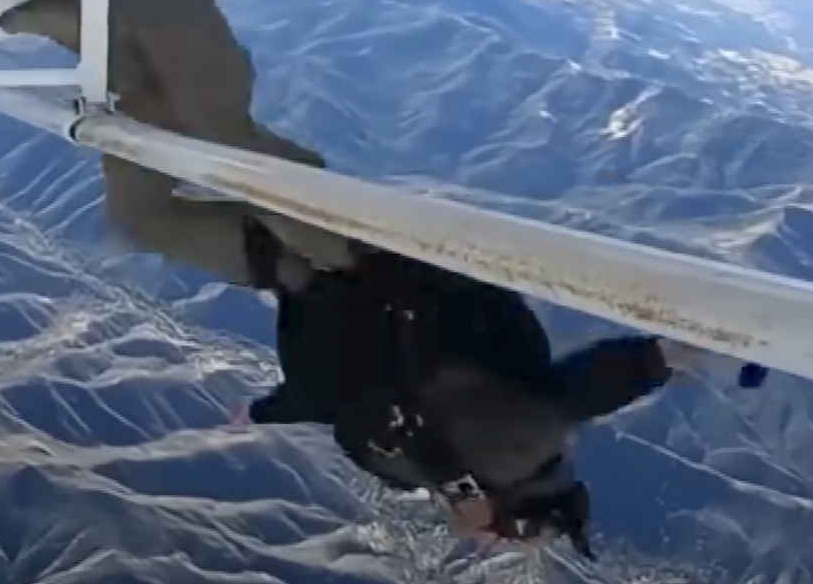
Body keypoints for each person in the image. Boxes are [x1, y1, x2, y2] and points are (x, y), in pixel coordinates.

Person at [240, 222, 690, 556]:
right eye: (506, 535)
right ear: (508, 513)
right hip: (377, 278)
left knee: (208, 216)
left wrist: (269, 410)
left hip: (360, 282)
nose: (480, 539)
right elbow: (579, 393)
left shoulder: (456, 462)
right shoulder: (509, 449)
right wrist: (661, 358)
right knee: (189, 222)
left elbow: (354, 403)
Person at [0, 0, 354, 288]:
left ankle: (110, 40)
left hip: (316, 298)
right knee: (230, 144)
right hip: (382, 275)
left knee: (141, 218)